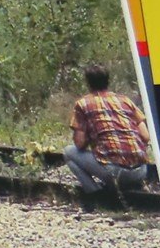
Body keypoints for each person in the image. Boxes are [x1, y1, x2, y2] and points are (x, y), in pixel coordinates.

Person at [64, 64, 151, 204]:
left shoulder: (83, 104)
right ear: (107, 80)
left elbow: (79, 144)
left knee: (68, 152)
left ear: (88, 83)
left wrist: (91, 134)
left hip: (114, 172)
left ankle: (96, 194)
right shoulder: (125, 101)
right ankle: (133, 184)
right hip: (141, 171)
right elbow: (146, 136)